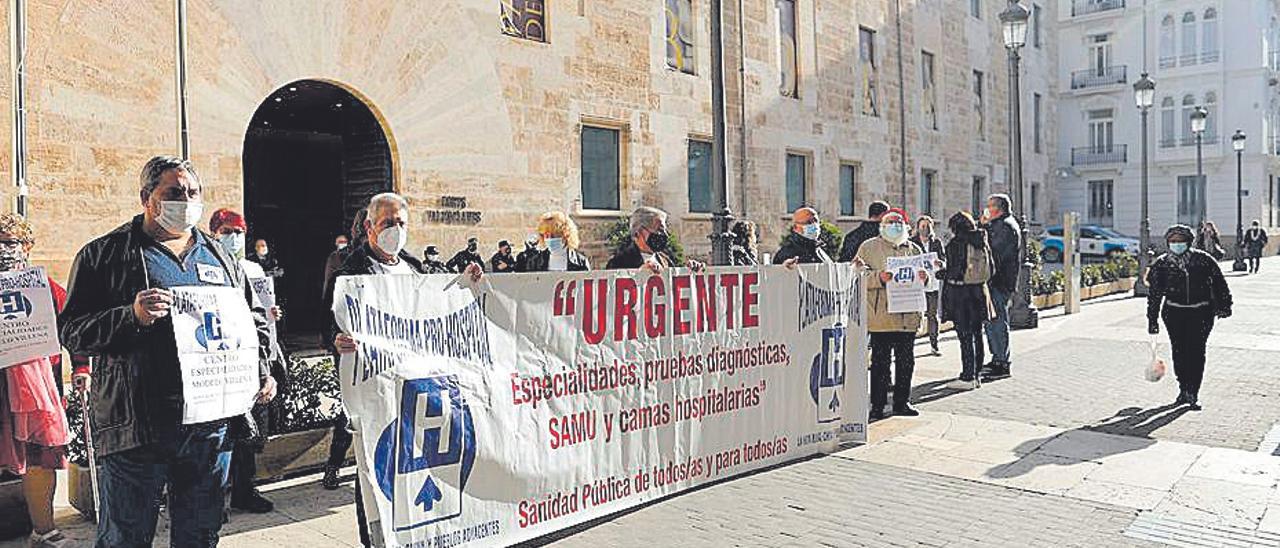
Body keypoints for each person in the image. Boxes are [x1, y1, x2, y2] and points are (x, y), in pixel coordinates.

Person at [60, 156, 276, 547]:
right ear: (147, 197)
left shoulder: (223, 258)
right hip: (136, 429)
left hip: (209, 429)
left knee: (200, 533)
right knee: (125, 536)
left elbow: (251, 321)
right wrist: (131, 316)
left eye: (193, 192)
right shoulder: (103, 255)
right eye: (174, 192)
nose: (186, 200)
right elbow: (73, 332)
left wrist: (262, 369)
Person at [326, 193, 482, 547]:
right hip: (374, 390)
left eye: (400, 223)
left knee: (417, 469)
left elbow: (440, 300)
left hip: (412, 387)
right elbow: (327, 320)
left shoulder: (414, 268)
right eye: (387, 223)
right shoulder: (348, 270)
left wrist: (468, 278)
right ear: (369, 227)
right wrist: (335, 339)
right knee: (375, 473)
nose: (395, 230)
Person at [0, 214, 76, 548]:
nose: (3, 250)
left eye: (9, 242)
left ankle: (43, 531)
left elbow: (74, 327)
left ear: (27, 247)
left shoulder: (44, 286)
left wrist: (83, 370)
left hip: (36, 390)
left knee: (39, 458)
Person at [209, 208, 287, 514]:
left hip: (251, 359)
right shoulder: (207, 267)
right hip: (218, 360)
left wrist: (268, 361)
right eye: (228, 232)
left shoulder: (253, 270)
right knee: (219, 435)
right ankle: (215, 499)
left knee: (251, 432)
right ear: (214, 233)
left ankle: (244, 489)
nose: (235, 238)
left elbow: (261, 317)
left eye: (239, 232)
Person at [1147, 224, 1233, 411]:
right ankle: (1183, 388)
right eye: (1173, 241)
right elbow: (1154, 294)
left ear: (1189, 242)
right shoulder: (1161, 264)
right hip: (1174, 313)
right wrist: (1152, 319)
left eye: (1181, 241)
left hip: (1201, 313)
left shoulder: (1203, 260)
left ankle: (1193, 392)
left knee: (1196, 351)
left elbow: (1220, 284)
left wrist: (1225, 305)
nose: (1177, 244)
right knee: (1179, 351)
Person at [856, 209, 929, 419]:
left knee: (906, 362)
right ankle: (877, 405)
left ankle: (902, 402)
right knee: (880, 364)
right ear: (882, 226)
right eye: (890, 222)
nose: (895, 225)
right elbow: (858, 274)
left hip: (908, 315)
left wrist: (924, 278)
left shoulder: (913, 249)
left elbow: (927, 279)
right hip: (882, 316)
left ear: (905, 226)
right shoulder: (869, 247)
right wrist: (880, 277)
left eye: (899, 222)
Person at [939, 212, 994, 390]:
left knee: (965, 336)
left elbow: (954, 271)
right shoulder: (981, 239)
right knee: (977, 334)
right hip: (979, 291)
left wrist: (939, 272)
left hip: (961, 294)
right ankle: (977, 374)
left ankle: (967, 376)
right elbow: (991, 267)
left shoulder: (957, 243)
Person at [980, 194, 1020, 381]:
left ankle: (1002, 362)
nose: (986, 209)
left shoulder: (1005, 227)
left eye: (989, 206)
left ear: (998, 209)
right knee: (991, 322)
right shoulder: (1001, 225)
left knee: (997, 322)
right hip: (997, 281)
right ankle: (997, 359)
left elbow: (994, 253)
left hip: (999, 282)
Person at [606, 206, 704, 272]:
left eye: (665, 231)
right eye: (659, 230)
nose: (664, 235)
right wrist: (639, 274)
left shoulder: (665, 260)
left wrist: (688, 271)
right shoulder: (618, 262)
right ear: (638, 232)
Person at [911, 215, 946, 355]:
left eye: (928, 226)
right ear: (918, 227)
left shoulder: (936, 242)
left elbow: (943, 259)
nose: (925, 228)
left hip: (932, 284)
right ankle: (910, 345)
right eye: (923, 226)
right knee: (915, 315)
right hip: (917, 285)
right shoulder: (912, 242)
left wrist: (941, 264)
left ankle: (934, 344)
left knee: (932, 315)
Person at [525, 212, 591, 271]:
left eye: (554, 235)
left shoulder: (581, 262)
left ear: (566, 235)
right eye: (546, 235)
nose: (550, 239)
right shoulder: (535, 261)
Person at [321, 234, 349, 298]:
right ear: (336, 243)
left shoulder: (349, 255)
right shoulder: (333, 256)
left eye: (345, 242)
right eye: (341, 242)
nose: (343, 244)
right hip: (333, 288)